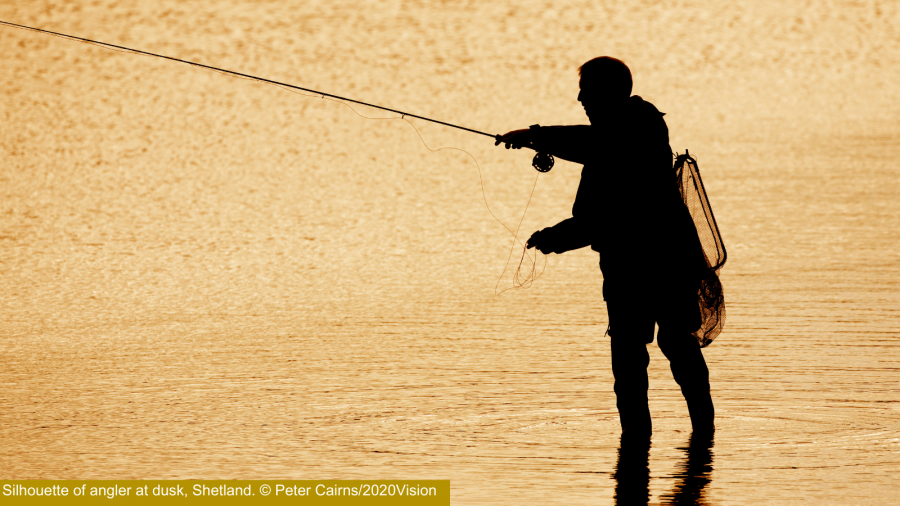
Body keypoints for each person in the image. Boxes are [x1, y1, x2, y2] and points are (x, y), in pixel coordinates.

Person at [495, 56, 715, 436]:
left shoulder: (638, 128)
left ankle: (694, 439)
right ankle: (649, 442)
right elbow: (598, 198)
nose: (580, 97)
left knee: (672, 343)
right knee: (634, 354)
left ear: (611, 93)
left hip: (663, 261)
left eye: (588, 91)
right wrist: (536, 137)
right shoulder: (621, 134)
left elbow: (605, 195)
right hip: (632, 264)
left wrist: (535, 135)